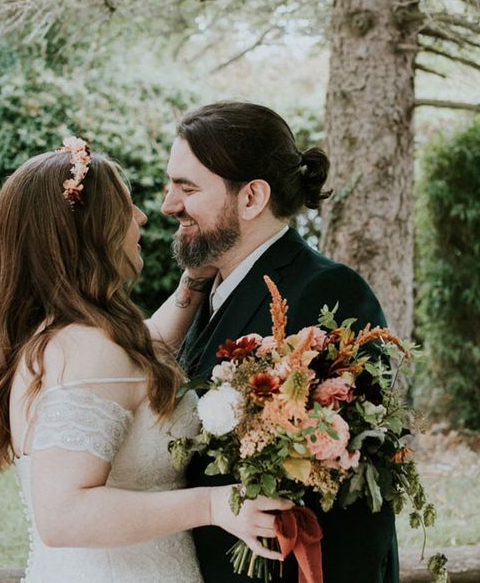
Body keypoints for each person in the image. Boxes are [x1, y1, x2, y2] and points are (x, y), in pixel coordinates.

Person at [0, 138, 292, 583]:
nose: (142, 217)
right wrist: (212, 505)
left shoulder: (73, 337)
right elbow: (63, 515)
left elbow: (142, 356)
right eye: (126, 207)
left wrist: (194, 281)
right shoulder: (85, 349)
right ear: (92, 231)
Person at [161, 102, 399, 583]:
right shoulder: (208, 289)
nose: (168, 204)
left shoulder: (330, 293)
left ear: (251, 198)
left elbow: (354, 498)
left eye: (187, 188)